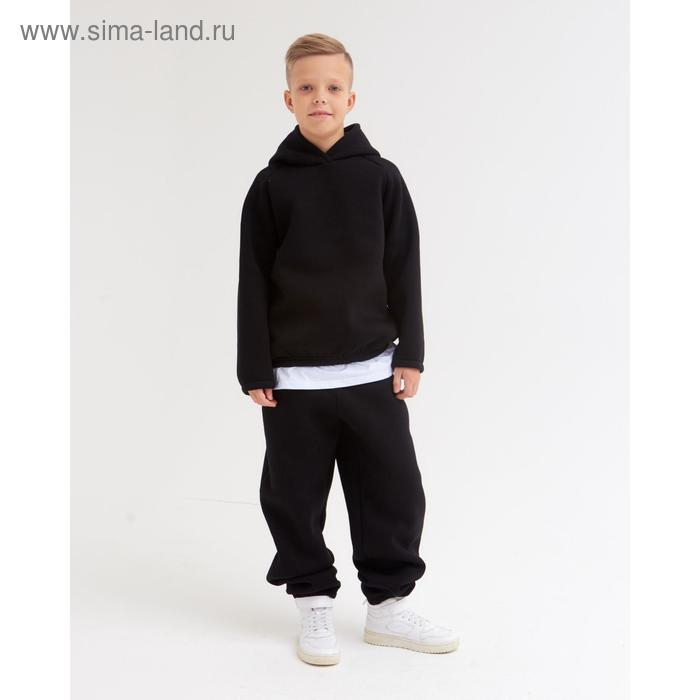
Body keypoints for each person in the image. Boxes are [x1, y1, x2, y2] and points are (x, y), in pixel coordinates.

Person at [236, 32, 459, 666]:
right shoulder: (270, 187)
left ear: (351, 97)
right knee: (294, 496)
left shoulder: (381, 178)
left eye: (332, 87)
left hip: (371, 373)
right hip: (293, 381)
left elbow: (404, 269)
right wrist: (254, 365)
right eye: (306, 87)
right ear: (288, 99)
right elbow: (253, 280)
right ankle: (313, 603)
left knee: (394, 489)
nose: (320, 97)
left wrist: (411, 354)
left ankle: (387, 608)